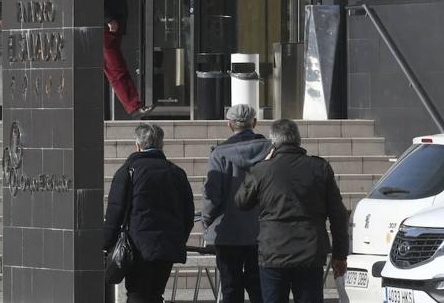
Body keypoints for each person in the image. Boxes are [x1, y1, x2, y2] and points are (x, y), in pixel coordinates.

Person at [235, 119, 349, 303]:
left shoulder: (262, 170)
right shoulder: (319, 168)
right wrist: (340, 254)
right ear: (298, 140)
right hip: (310, 254)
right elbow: (338, 214)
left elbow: (241, 202)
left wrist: (262, 164)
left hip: (273, 252)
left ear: (273, 142)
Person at [104, 123, 194, 303]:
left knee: (137, 294)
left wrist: (106, 242)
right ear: (161, 145)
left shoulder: (128, 172)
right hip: (167, 246)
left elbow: (115, 211)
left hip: (137, 247)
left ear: (137, 145)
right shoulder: (177, 173)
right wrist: (177, 239)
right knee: (155, 294)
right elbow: (188, 215)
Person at [202, 104, 271, 303]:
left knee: (230, 288)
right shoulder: (270, 150)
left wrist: (206, 219)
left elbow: (213, 195)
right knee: (260, 288)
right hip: (262, 232)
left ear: (229, 124)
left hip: (228, 233)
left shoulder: (219, 154)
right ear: (255, 123)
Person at [91, 0, 154, 119]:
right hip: (106, 32)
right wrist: (108, 19)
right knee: (117, 70)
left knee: (114, 70)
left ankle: (133, 106)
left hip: (110, 32)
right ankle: (134, 106)